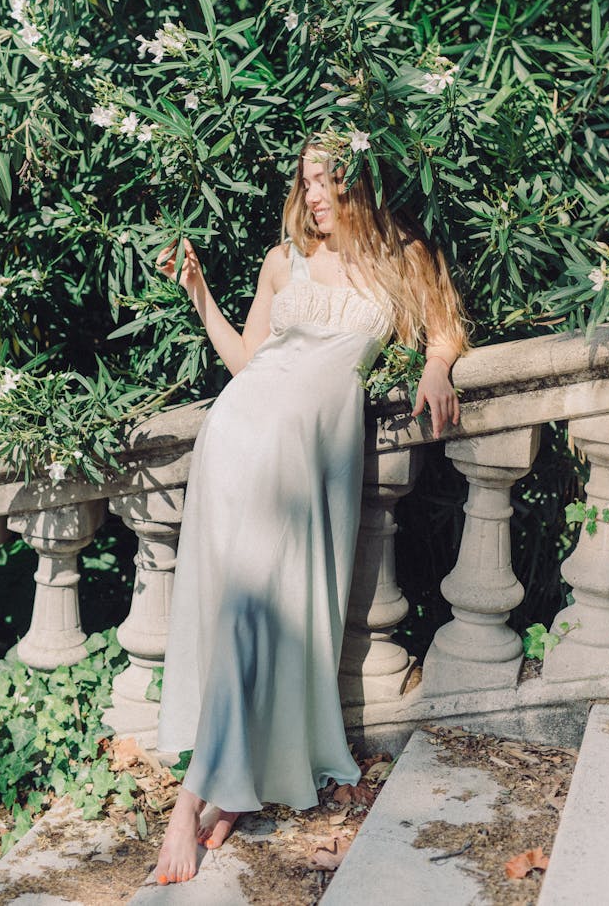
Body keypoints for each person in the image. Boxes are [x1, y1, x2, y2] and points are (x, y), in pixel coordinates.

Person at [153, 135, 468, 884]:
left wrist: (435, 365)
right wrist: (199, 293)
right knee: (236, 613)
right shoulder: (281, 259)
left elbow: (445, 325)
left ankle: (212, 790)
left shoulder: (401, 257)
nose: (315, 194)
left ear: (360, 181)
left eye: (328, 180)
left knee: (262, 614)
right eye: (308, 181)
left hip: (303, 465)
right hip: (237, 443)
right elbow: (246, 360)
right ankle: (197, 799)